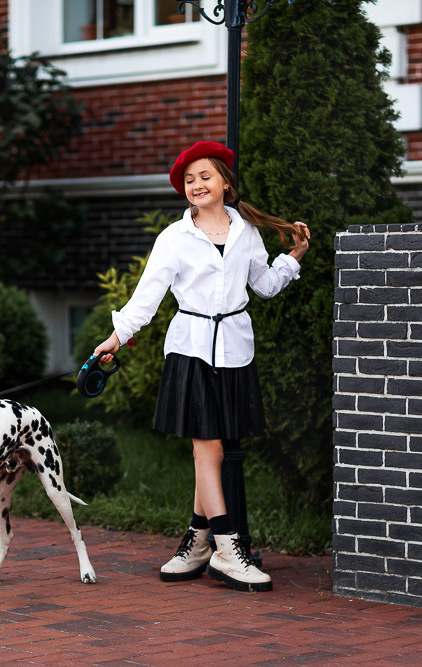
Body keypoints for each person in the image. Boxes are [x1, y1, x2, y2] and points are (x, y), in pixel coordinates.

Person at [92, 141, 310, 592]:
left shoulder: (246, 231)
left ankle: (197, 543)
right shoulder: (173, 239)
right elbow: (144, 300)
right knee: (205, 448)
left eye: (205, 176)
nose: (196, 185)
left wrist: (295, 257)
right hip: (190, 350)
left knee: (210, 451)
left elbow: (265, 285)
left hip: (234, 350)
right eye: (189, 180)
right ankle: (229, 550)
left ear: (225, 183)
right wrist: (114, 340)